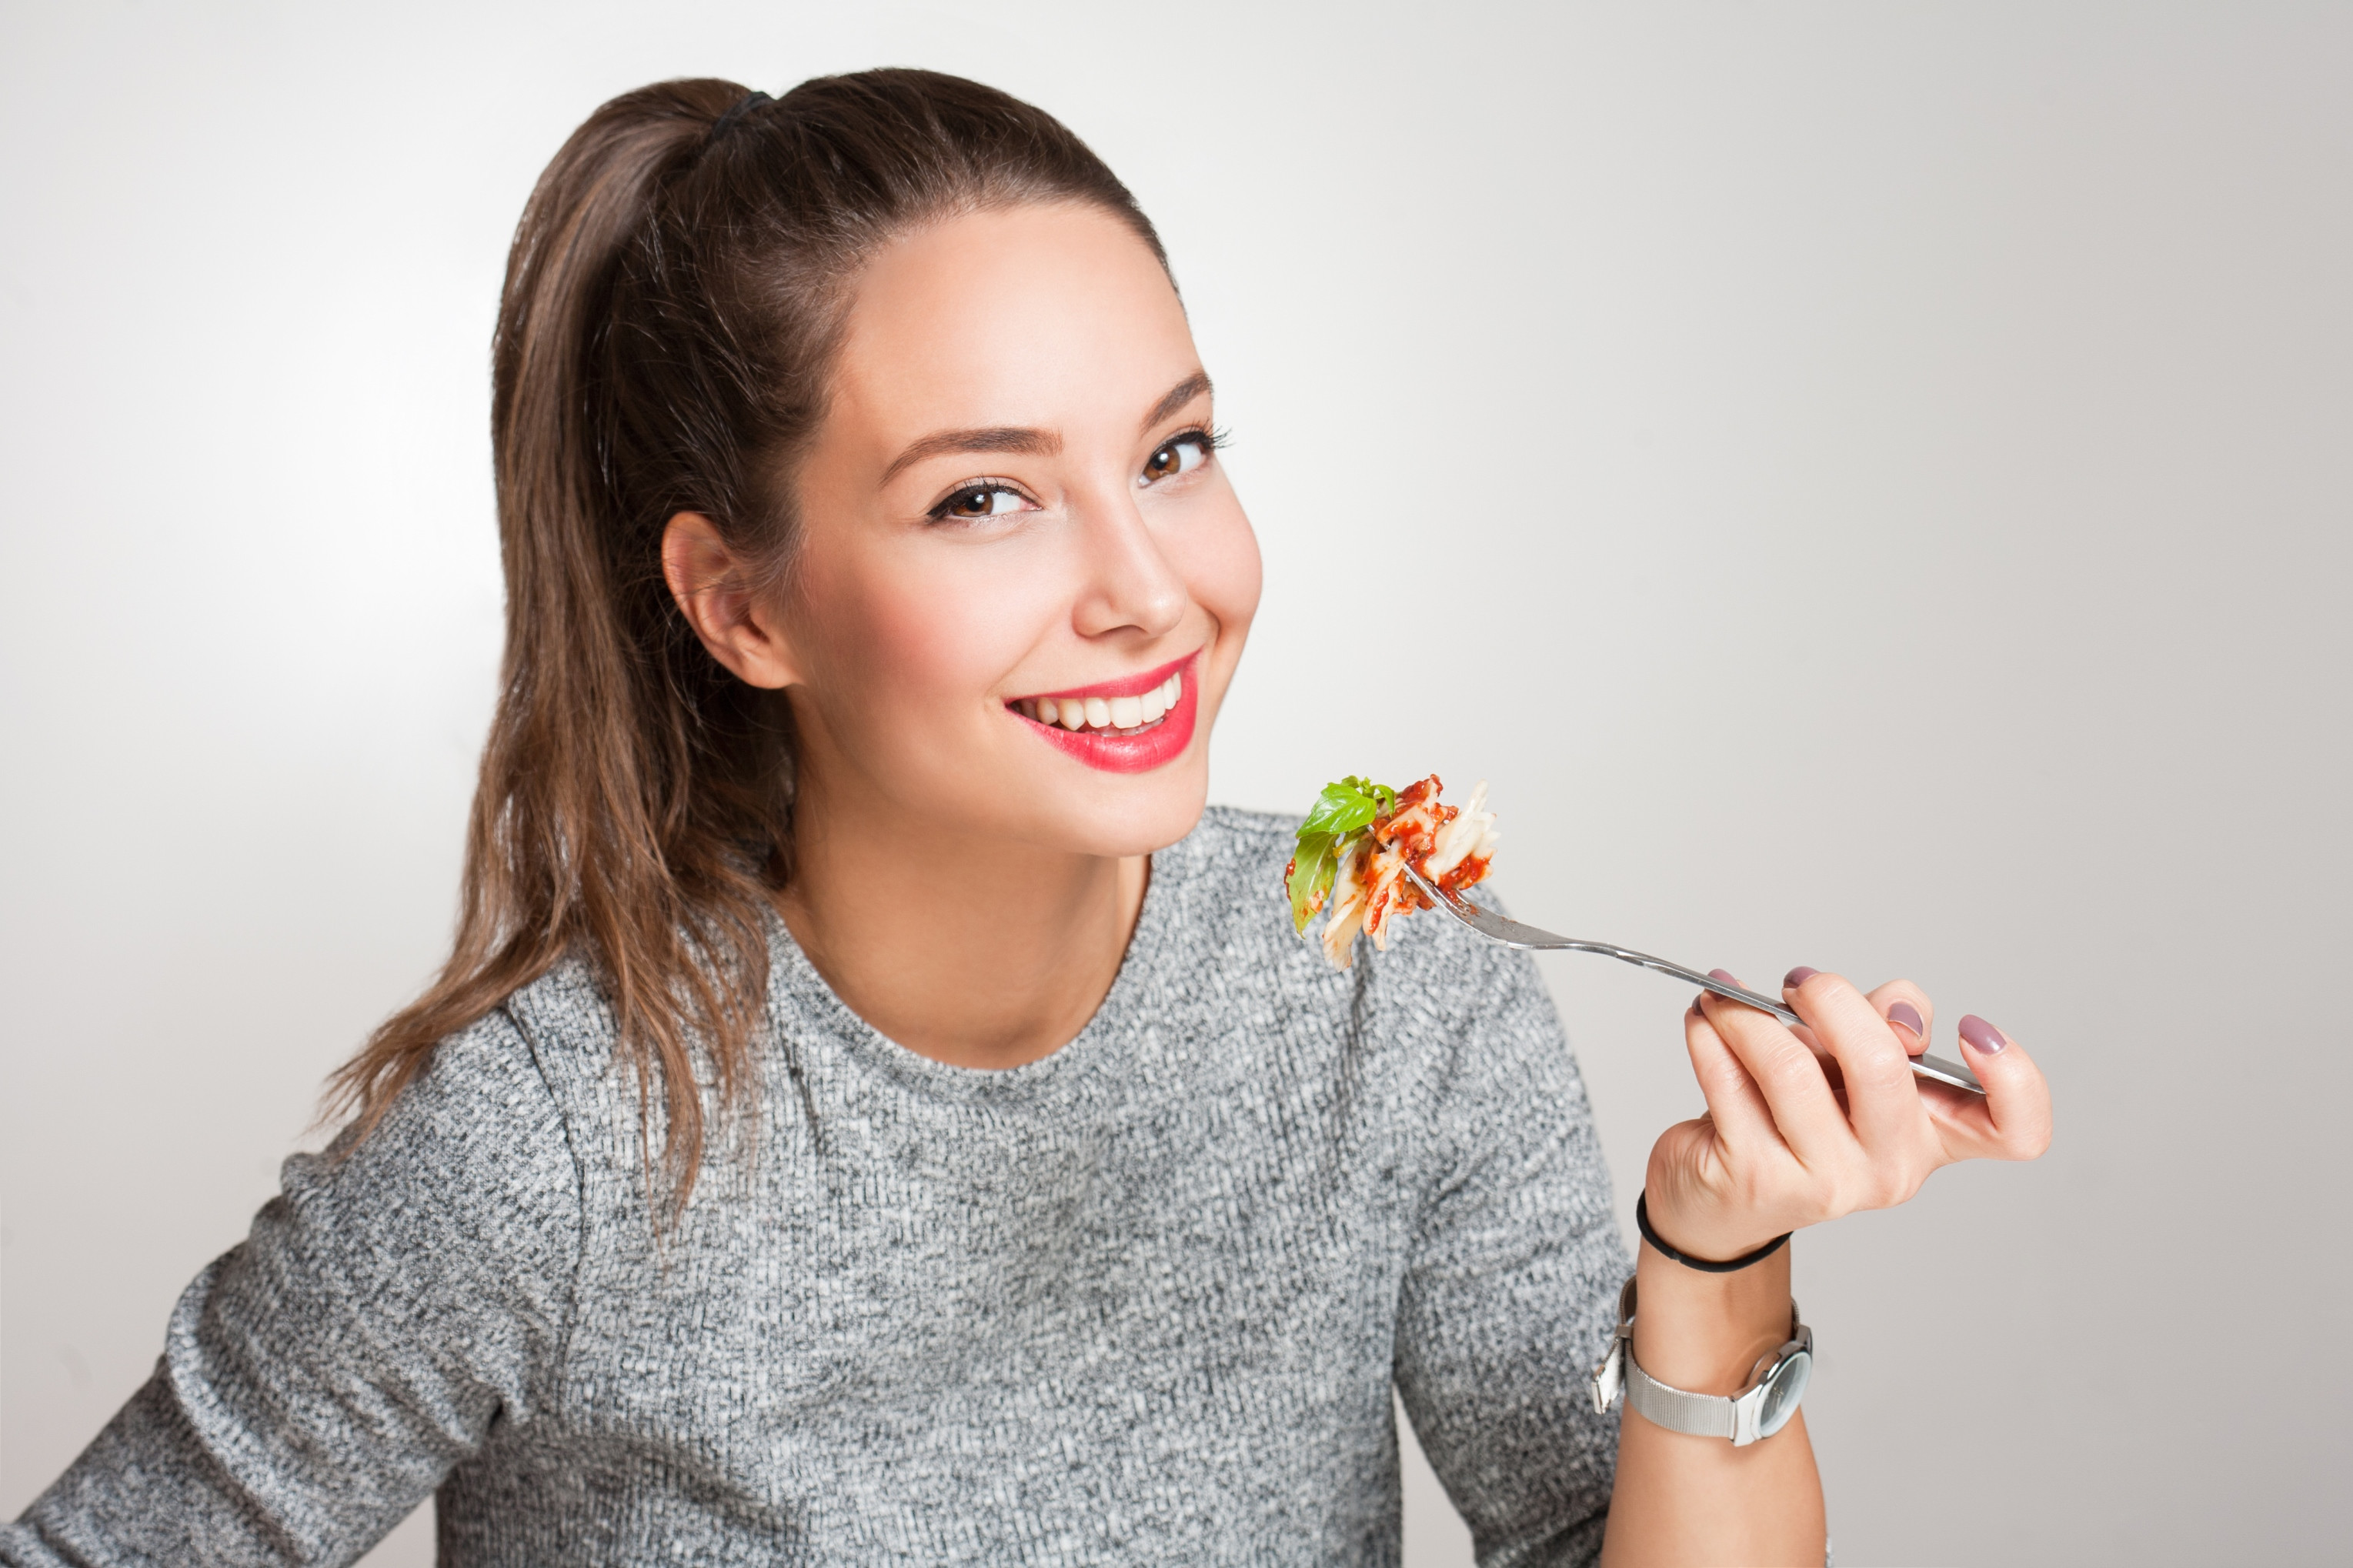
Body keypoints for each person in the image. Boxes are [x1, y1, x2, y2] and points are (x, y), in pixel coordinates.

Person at [0, 70, 2050, 1567]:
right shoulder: (550, 1141)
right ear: (742, 606)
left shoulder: (1387, 994)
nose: (1149, 588)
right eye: (983, 496)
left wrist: (1715, 1250)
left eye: (1172, 453)